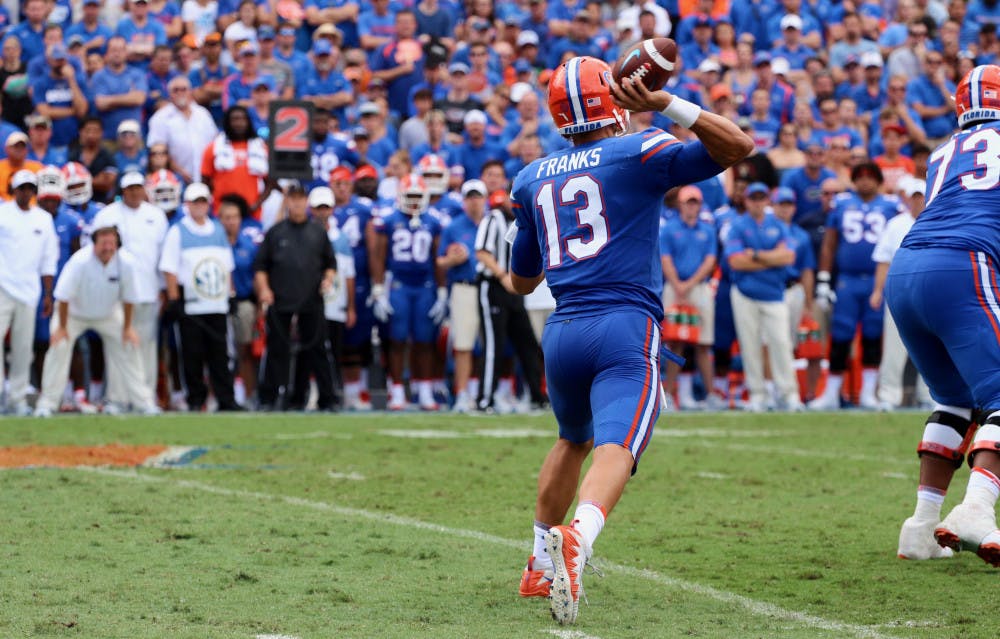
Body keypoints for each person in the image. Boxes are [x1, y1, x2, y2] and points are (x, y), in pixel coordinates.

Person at [507, 56, 753, 624]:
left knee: (572, 438)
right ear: (612, 101)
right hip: (623, 323)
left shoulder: (531, 177)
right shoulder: (638, 147)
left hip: (563, 329)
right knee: (618, 442)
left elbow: (523, 280)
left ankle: (540, 561)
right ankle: (579, 539)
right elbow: (737, 146)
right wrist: (666, 102)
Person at [885, 64, 1000, 566]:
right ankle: (976, 507)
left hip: (906, 268)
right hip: (962, 264)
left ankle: (921, 525)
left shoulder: (941, 153)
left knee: (954, 400)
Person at [33, 225, 160, 417]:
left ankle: (143, 402)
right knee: (58, 347)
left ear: (117, 244)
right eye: (104, 243)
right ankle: (48, 403)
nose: (108, 247)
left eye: (112, 243)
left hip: (108, 314)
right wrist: (62, 327)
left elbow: (129, 298)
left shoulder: (126, 263)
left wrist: (127, 328)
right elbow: (64, 297)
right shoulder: (80, 262)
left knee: (129, 346)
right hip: (73, 314)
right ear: (94, 244)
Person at [809, 162, 904, 410]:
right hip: (847, 280)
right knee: (841, 334)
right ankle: (831, 393)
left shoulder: (891, 206)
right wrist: (823, 279)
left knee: (873, 335)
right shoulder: (841, 204)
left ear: (879, 180)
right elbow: (829, 245)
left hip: (877, 279)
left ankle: (868, 393)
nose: (865, 181)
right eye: (860, 177)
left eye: (870, 177)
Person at [253, 182, 337, 411]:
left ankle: (325, 398)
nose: (298, 203)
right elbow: (261, 266)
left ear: (306, 202)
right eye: (294, 198)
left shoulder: (318, 232)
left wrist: (328, 279)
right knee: (277, 350)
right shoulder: (276, 232)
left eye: (301, 199)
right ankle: (268, 398)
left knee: (317, 349)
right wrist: (265, 290)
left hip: (311, 298)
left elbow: (330, 264)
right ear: (287, 201)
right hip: (280, 298)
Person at [159, 182, 241, 412]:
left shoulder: (217, 230)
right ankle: (196, 398)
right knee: (192, 354)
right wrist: (175, 299)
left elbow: (227, 266)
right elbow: (170, 268)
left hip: (216, 302)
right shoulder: (178, 231)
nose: (199, 206)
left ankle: (226, 398)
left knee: (220, 354)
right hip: (191, 303)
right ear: (187, 205)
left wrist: (231, 294)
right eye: (195, 202)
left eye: (203, 202)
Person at [90, 171, 169, 403]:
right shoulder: (107, 215)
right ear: (122, 191)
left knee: (146, 345)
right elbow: (94, 253)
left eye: (138, 188)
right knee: (117, 345)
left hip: (148, 291)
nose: (134, 192)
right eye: (130, 188)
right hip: (116, 294)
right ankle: (117, 398)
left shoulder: (156, 216)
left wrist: (163, 288)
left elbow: (162, 257)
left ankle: (145, 397)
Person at [369, 173, 446, 411]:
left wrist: (442, 291)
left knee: (425, 340)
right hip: (398, 284)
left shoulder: (433, 221)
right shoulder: (389, 219)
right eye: (409, 196)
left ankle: (424, 390)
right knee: (397, 339)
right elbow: (378, 256)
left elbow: (437, 258)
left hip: (424, 286)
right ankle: (397, 391)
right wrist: (379, 289)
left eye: (417, 196)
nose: (413, 201)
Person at [725, 182, 802, 412]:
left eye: (761, 198)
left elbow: (788, 257)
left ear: (767, 200)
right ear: (746, 201)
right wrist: (771, 258)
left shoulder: (777, 225)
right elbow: (735, 261)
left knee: (781, 344)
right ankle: (758, 394)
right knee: (750, 346)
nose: (757, 203)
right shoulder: (737, 226)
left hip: (774, 293)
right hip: (745, 292)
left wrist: (756, 255)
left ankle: (788, 395)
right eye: (753, 198)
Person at [870, 177, 931, 412]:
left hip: (930, 292)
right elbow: (883, 260)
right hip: (900, 292)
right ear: (908, 198)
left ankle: (929, 394)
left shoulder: (938, 221)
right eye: (915, 197)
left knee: (931, 347)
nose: (919, 202)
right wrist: (877, 290)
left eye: (922, 197)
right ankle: (889, 395)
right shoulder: (896, 224)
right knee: (894, 346)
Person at [0, 170, 57, 415]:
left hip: (29, 291)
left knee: (24, 348)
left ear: (35, 192)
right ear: (13, 190)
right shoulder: (2, 214)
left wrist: (47, 293)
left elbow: (48, 259)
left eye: (30, 188)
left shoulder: (43, 219)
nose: (26, 192)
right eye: (21, 188)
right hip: (2, 287)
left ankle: (17, 399)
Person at [659, 185, 717, 411]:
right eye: (688, 202)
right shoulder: (670, 229)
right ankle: (670, 394)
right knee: (675, 342)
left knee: (703, 342)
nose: (692, 206)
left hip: (699, 287)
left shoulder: (707, 230)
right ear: (680, 204)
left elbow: (710, 260)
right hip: (675, 287)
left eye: (695, 202)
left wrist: (688, 284)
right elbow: (665, 258)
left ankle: (711, 394)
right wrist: (678, 285)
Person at [436, 178, 486, 413]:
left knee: (490, 344)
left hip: (488, 287)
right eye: (470, 197)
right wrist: (452, 260)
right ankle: (463, 393)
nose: (474, 202)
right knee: (464, 344)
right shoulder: (454, 227)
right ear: (464, 201)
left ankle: (485, 392)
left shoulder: (493, 223)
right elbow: (440, 260)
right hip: (464, 286)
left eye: (478, 197)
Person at [146, 75, 219, 184]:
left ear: (190, 92)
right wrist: (179, 171)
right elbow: (158, 151)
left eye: (184, 89)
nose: (180, 93)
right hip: (176, 179)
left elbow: (214, 142)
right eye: (176, 90)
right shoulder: (160, 118)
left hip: (206, 176)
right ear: (169, 94)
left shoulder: (203, 114)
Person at [199, 105, 270, 216]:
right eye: (235, 119)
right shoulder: (213, 148)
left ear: (248, 122)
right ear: (227, 122)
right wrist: (215, 200)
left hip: (251, 213)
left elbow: (271, 183)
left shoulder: (261, 148)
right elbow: (205, 181)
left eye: (243, 119)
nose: (239, 123)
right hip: (221, 213)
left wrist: (256, 204)